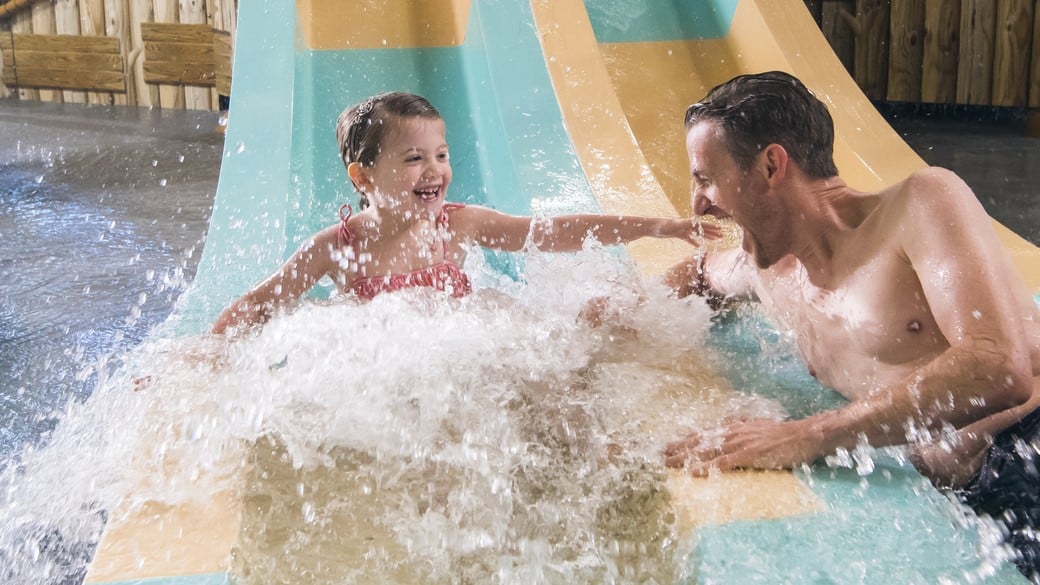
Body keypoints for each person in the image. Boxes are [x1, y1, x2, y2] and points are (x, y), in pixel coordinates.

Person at [659, 71, 1040, 579]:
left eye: (705, 177)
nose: (699, 203)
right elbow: (701, 273)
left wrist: (804, 436)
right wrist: (604, 309)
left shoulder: (918, 206)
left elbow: (998, 366)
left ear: (772, 165)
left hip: (1028, 447)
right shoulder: (769, 271)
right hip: (971, 498)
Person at [211, 91, 721, 335]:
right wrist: (206, 351)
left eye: (441, 154)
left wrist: (659, 226)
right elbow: (261, 302)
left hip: (465, 345)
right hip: (393, 364)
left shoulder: (457, 224)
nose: (434, 171)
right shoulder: (337, 248)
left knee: (591, 323)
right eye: (413, 159)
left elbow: (552, 232)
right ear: (362, 178)